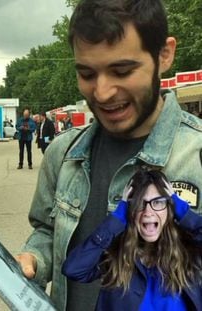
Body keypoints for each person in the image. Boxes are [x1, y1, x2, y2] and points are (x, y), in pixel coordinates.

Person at [15, 1, 202, 310]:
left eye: (122, 70)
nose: (101, 93)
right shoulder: (63, 154)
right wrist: (34, 258)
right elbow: (47, 232)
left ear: (164, 54)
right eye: (87, 73)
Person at [63, 170, 202, 310]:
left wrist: (183, 210)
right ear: (130, 210)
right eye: (140, 203)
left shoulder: (187, 252)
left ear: (169, 207)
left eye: (158, 202)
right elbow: (73, 269)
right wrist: (118, 216)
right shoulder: (115, 255)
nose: (148, 212)